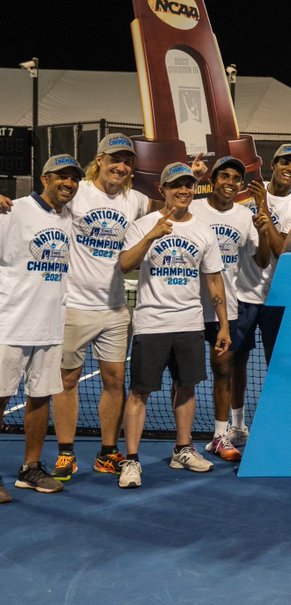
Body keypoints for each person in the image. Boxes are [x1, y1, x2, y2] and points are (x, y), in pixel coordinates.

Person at [117, 163, 230, 489]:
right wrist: (151, 236)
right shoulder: (143, 226)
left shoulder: (203, 231)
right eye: (176, 185)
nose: (183, 191)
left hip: (190, 323)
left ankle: (183, 449)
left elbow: (213, 281)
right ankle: (132, 461)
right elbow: (125, 264)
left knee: (187, 387)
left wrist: (222, 327)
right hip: (151, 323)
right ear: (162, 190)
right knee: (140, 392)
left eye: (188, 185)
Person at [51, 134, 150, 481]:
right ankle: (66, 452)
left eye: (127, 162)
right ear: (100, 159)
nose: (120, 167)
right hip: (74, 305)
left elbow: (171, 207)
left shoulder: (135, 201)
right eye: (115, 160)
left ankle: (107, 453)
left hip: (115, 309)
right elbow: (40, 205)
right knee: (67, 380)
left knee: (114, 380)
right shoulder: (77, 193)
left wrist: (196, 182)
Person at [0, 154, 84, 500]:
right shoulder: (11, 210)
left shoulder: (68, 217)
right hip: (10, 325)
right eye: (61, 176)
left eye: (74, 178)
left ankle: (30, 469)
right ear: (44, 178)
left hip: (49, 327)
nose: (68, 183)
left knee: (40, 399)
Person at [229, 144, 291, 447]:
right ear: (274, 164)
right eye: (284, 162)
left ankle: (279, 424)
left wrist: (263, 208)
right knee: (237, 362)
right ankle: (237, 425)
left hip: (279, 296)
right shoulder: (248, 191)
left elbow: (280, 252)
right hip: (243, 293)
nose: (289, 168)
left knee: (277, 363)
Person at [188, 155, 268, 462]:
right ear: (214, 179)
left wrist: (262, 228)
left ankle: (220, 437)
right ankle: (184, 442)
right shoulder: (194, 207)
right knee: (186, 377)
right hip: (190, 307)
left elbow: (261, 261)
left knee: (223, 372)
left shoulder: (244, 216)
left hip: (227, 310)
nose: (230, 183)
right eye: (225, 176)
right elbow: (162, 213)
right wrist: (191, 179)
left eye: (236, 179)